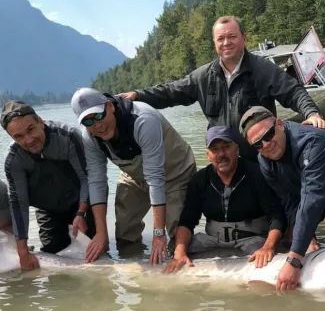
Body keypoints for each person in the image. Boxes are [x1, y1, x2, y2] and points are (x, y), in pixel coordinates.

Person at [120, 15, 325, 159]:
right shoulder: (202, 76)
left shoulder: (262, 69)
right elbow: (170, 92)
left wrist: (312, 114)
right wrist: (138, 95)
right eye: (221, 38)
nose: (226, 42)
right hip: (223, 158)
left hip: (259, 155)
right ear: (214, 43)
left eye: (232, 36)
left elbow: (293, 92)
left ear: (244, 39)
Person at [240, 106, 325, 291]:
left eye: (269, 134)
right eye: (258, 144)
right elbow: (290, 201)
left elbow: (313, 198)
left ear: (280, 124)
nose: (266, 144)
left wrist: (294, 259)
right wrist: (307, 239)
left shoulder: (312, 142)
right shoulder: (265, 162)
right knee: (298, 237)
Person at [71, 87, 196, 264]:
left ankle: (176, 266)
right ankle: (134, 270)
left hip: (176, 173)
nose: (97, 125)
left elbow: (155, 177)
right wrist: (101, 233)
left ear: (110, 106)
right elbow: (96, 180)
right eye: (88, 121)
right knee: (124, 233)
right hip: (135, 176)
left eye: (98, 116)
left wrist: (158, 233)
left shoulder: (143, 119)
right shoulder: (90, 137)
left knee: (178, 239)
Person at [163, 126, 287, 274]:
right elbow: (187, 222)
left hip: (252, 240)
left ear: (237, 148)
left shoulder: (257, 173)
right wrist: (180, 253)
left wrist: (268, 247)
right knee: (175, 249)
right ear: (208, 154)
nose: (221, 154)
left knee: (272, 258)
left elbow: (277, 216)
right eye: (215, 149)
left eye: (226, 147)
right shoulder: (199, 179)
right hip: (213, 240)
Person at [1, 101, 94, 270]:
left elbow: (87, 178)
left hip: (83, 202)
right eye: (18, 137)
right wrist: (23, 252)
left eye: (30, 129)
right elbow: (19, 203)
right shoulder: (13, 160)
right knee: (51, 253)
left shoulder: (68, 136)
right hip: (49, 209)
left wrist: (81, 212)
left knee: (97, 254)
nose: (28, 140)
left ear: (40, 121)